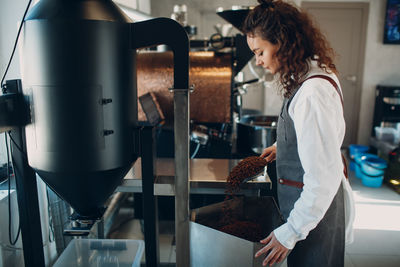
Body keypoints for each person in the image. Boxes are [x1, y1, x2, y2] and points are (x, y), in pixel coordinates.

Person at [242, 0, 355, 266]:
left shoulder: (313, 92)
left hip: (315, 213)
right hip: (311, 210)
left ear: (281, 41)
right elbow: (315, 136)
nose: (257, 62)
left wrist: (290, 232)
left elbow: (322, 178)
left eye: (260, 52)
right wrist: (284, 145)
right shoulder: (308, 74)